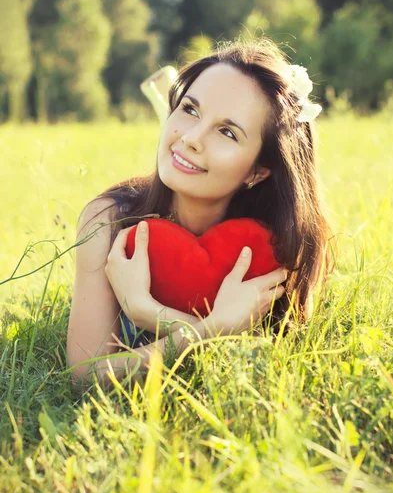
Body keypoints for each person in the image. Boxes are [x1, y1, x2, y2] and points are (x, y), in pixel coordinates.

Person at [67, 36, 332, 390]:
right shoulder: (110, 221)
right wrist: (212, 329)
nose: (191, 138)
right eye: (190, 109)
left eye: (227, 132)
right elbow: (87, 374)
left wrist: (149, 313)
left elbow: (262, 365)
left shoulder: (268, 246)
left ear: (259, 170)